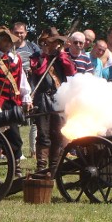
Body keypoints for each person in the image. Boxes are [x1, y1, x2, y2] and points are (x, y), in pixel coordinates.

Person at [0, 26, 31, 166]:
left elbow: (22, 80)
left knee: (15, 137)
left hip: (12, 102)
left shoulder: (15, 59)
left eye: (10, 41)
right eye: (5, 41)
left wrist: (26, 97)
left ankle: (15, 165)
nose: (8, 44)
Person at [29, 27, 75, 173]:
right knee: (43, 135)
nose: (54, 45)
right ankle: (41, 167)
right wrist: (45, 54)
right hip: (42, 99)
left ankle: (54, 168)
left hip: (58, 97)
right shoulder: (37, 57)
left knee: (59, 134)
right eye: (51, 42)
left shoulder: (61, 57)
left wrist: (60, 54)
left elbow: (71, 71)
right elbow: (39, 70)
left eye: (56, 42)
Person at [13, 22, 40, 157]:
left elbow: (40, 61)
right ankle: (16, 152)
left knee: (34, 118)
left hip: (31, 85)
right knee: (15, 118)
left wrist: (33, 69)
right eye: (16, 32)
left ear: (26, 33)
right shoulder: (10, 47)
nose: (19, 35)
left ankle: (33, 150)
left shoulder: (32, 47)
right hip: (14, 86)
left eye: (21, 32)